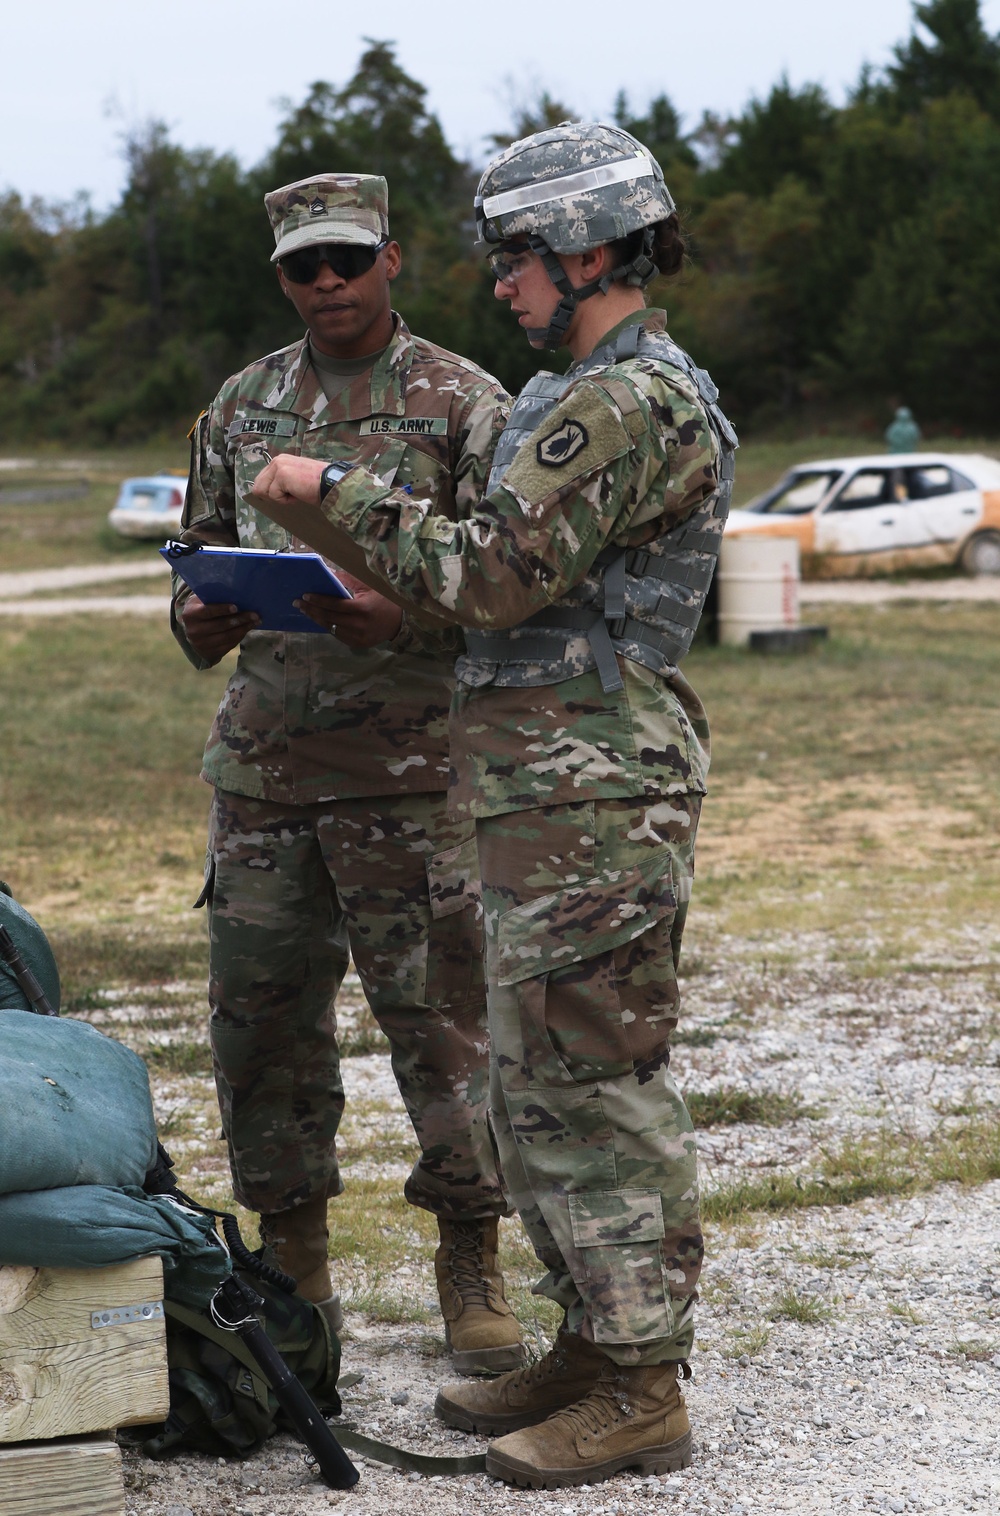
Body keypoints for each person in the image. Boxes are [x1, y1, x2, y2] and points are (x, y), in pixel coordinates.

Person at [249, 125, 737, 1488]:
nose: (502, 279)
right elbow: (512, 579)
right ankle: (594, 1343)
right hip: (548, 785)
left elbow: (497, 572)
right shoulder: (583, 388)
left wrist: (328, 493)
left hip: (596, 790)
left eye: (517, 253)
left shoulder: (626, 403)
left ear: (589, 248)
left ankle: (642, 1383)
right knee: (536, 1077)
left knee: (593, 1078)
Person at [170, 172, 526, 1376]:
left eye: (345, 260)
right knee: (261, 1030)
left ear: (391, 260)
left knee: (444, 1029)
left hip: (410, 776)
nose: (325, 283)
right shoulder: (240, 404)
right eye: (301, 267)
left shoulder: (465, 403)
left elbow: (507, 589)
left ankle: (472, 1260)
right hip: (263, 776)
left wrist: (407, 620)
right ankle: (294, 1263)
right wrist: (199, 617)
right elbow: (197, 567)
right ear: (280, 276)